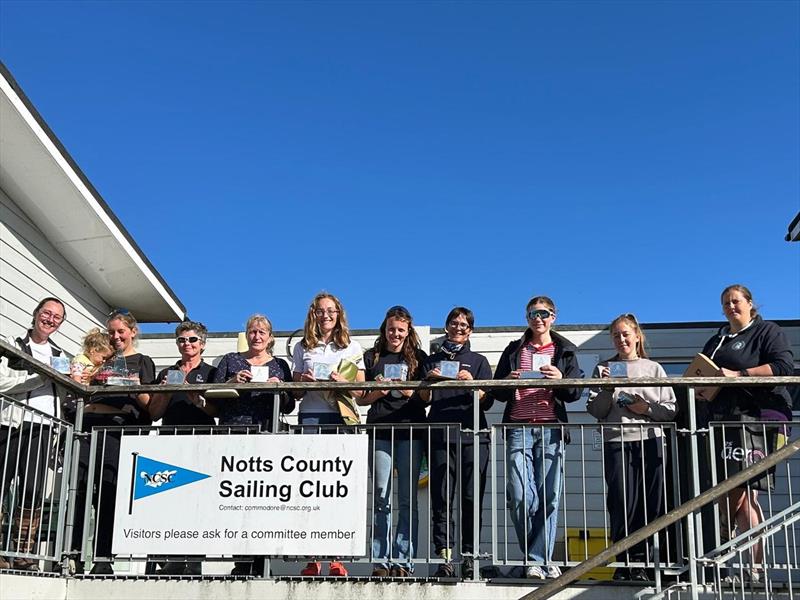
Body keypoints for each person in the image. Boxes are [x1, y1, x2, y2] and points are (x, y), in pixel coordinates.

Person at [701, 284, 794, 583]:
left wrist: (739, 375)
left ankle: (750, 564)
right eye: (725, 303)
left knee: (742, 491)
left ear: (750, 303)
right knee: (734, 493)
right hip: (725, 421)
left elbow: (783, 366)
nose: (730, 307)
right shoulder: (718, 339)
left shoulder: (767, 331)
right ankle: (737, 566)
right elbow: (702, 371)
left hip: (760, 419)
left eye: (736, 301)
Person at [492, 296, 583, 580]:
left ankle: (536, 560)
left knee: (549, 497)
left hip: (551, 429)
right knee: (520, 495)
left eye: (543, 313)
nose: (538, 318)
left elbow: (575, 392)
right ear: (527, 317)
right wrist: (508, 382)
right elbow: (496, 390)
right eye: (533, 313)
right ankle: (538, 556)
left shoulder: (565, 350)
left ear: (553, 316)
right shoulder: (514, 349)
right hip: (518, 428)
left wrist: (560, 379)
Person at [586, 313, 677, 581]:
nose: (621, 339)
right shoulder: (603, 367)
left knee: (652, 504)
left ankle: (651, 564)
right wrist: (605, 388)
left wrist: (645, 408)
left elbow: (671, 410)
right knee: (620, 503)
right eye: (616, 335)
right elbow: (596, 410)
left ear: (637, 336)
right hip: (617, 441)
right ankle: (626, 564)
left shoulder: (654, 368)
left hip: (651, 440)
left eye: (626, 333)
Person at [71, 309, 156, 575]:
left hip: (119, 434)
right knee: (80, 491)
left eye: (121, 331)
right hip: (87, 430)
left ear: (133, 332)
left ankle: (103, 557)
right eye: (112, 332)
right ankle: (71, 553)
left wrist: (132, 384)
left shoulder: (142, 360)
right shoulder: (102, 359)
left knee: (109, 493)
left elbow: (150, 406)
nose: (116, 336)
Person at [211, 314, 293, 577]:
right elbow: (213, 396)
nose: (257, 336)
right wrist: (232, 383)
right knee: (236, 498)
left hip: (267, 434)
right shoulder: (229, 360)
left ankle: (261, 561)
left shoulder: (280, 365)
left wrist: (278, 387)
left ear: (271, 337)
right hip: (233, 432)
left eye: (262, 332)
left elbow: (291, 404)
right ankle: (241, 561)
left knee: (263, 498)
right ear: (246, 334)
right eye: (252, 331)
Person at [292, 292, 365, 577]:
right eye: (321, 311)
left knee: (338, 487)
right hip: (310, 416)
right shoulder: (302, 346)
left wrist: (343, 381)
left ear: (339, 314)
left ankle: (336, 558)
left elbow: (360, 391)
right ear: (313, 314)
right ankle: (312, 559)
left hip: (341, 417)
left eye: (331, 311)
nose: (326, 316)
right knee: (311, 486)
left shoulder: (352, 346)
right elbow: (295, 390)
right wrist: (304, 380)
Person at [419, 306, 492, 580]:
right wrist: (429, 380)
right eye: (454, 323)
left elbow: (489, 399)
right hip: (440, 435)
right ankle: (445, 557)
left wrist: (473, 384)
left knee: (472, 498)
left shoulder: (479, 360)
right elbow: (423, 399)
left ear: (470, 330)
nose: (458, 328)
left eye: (464, 325)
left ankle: (471, 556)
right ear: (447, 326)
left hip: (474, 436)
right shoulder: (431, 360)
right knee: (441, 498)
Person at [359, 305, 428, 578]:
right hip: (379, 429)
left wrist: (407, 389)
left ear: (408, 330)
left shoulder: (420, 358)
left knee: (407, 499)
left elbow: (426, 397)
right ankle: (380, 561)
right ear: (384, 329)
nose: (395, 334)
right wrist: (380, 391)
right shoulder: (371, 356)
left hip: (410, 430)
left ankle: (403, 561)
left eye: (400, 329)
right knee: (381, 496)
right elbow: (360, 397)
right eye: (391, 329)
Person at [0, 297, 68, 570]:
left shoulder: (60, 355)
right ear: (36, 314)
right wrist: (40, 377)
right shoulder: (12, 346)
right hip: (11, 423)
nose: (50, 319)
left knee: (33, 490)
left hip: (44, 427)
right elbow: (2, 383)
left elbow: (62, 393)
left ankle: (23, 553)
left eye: (57, 317)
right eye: (46, 313)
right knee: (2, 485)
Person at [148, 320, 218, 576]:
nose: (187, 344)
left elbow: (217, 410)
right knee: (170, 501)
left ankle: (194, 560)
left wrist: (196, 399)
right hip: (170, 440)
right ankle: (173, 558)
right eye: (182, 340)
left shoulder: (211, 372)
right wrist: (165, 392)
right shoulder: (167, 372)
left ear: (203, 344)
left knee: (198, 502)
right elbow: (154, 413)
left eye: (192, 340)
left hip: (202, 441)